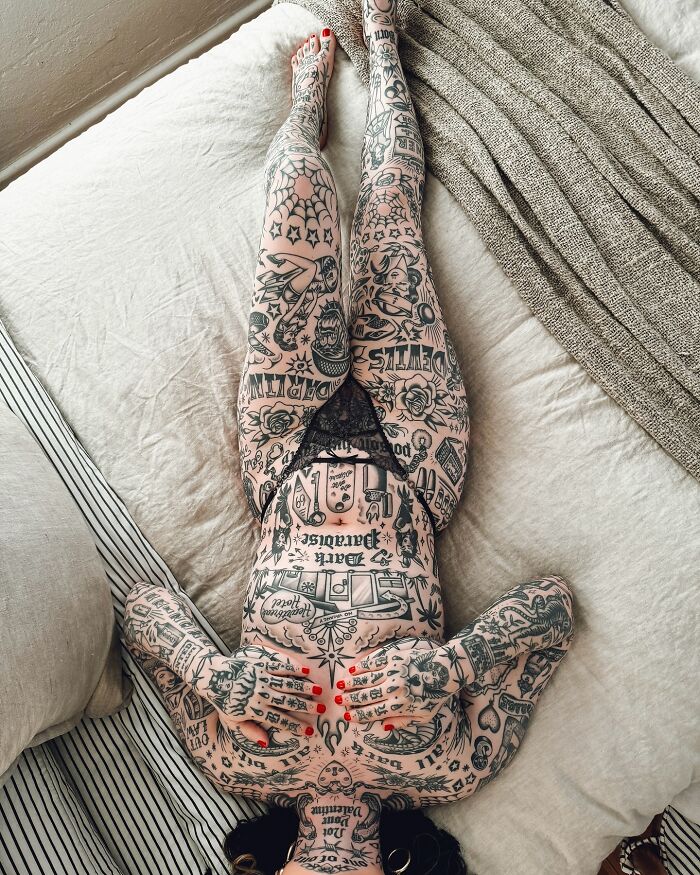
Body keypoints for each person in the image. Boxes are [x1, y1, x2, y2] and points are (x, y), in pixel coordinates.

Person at [123, 2, 575, 872]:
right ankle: (384, 41)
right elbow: (552, 610)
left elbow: (142, 613)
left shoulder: (234, 761)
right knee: (390, 216)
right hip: (414, 455)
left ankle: (306, 107)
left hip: (283, 454)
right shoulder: (450, 767)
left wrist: (212, 675)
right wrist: (449, 669)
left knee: (299, 193)